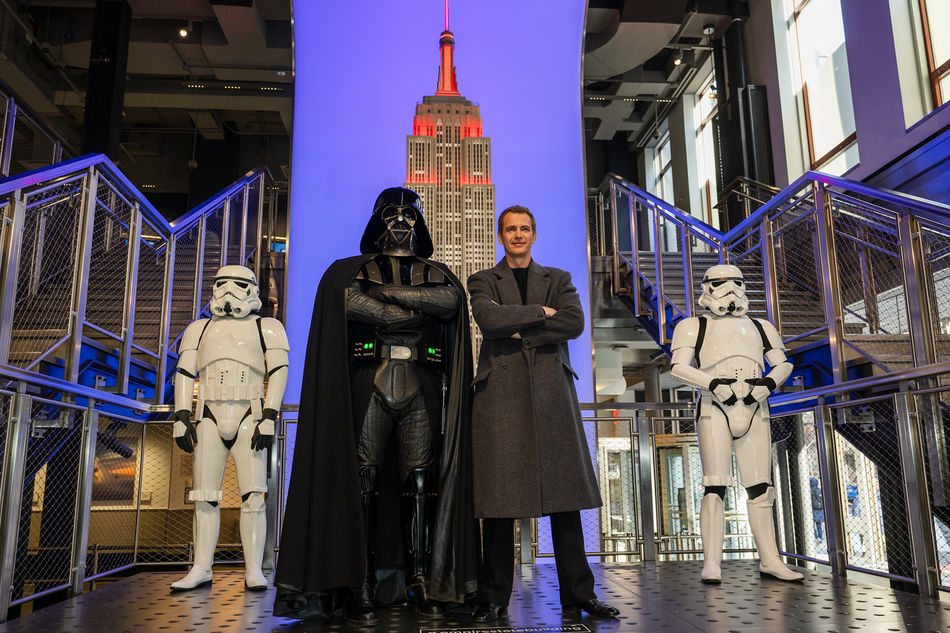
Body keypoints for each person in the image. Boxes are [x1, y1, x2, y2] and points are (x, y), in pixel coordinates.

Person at [273, 188, 478, 625]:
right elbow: (350, 303)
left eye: (409, 214)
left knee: (421, 483)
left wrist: (390, 299)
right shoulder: (348, 272)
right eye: (392, 213)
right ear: (377, 220)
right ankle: (360, 581)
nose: (401, 221)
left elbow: (451, 301)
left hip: (421, 385)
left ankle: (421, 578)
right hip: (370, 381)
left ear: (419, 222)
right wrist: (404, 311)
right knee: (362, 481)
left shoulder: (435, 272)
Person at [467, 205, 619, 622]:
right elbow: (488, 319)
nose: (518, 235)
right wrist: (541, 314)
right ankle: (493, 596)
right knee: (498, 505)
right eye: (511, 229)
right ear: (501, 236)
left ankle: (579, 596)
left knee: (565, 500)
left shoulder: (560, 279)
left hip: (552, 394)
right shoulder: (482, 279)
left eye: (525, 229)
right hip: (500, 394)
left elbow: (573, 323)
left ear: (534, 234)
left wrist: (517, 327)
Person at [670, 264, 803, 583]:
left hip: (755, 404)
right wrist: (714, 384)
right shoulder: (692, 325)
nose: (730, 288)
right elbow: (678, 366)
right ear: (708, 287)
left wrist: (768, 384)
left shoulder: (761, 326)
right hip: (714, 405)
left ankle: (770, 559)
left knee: (761, 486)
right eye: (721, 283)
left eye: (736, 283)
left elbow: (783, 363)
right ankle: (712, 562)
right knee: (715, 484)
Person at [170, 265, 289, 592]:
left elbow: (279, 371)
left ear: (251, 288)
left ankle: (253, 568)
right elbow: (184, 372)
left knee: (254, 495)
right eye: (221, 283)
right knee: (204, 496)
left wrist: (269, 415)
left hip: (250, 414)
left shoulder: (268, 327)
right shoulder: (199, 328)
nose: (228, 290)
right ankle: (201, 567)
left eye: (237, 284)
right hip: (207, 413)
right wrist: (182, 415)